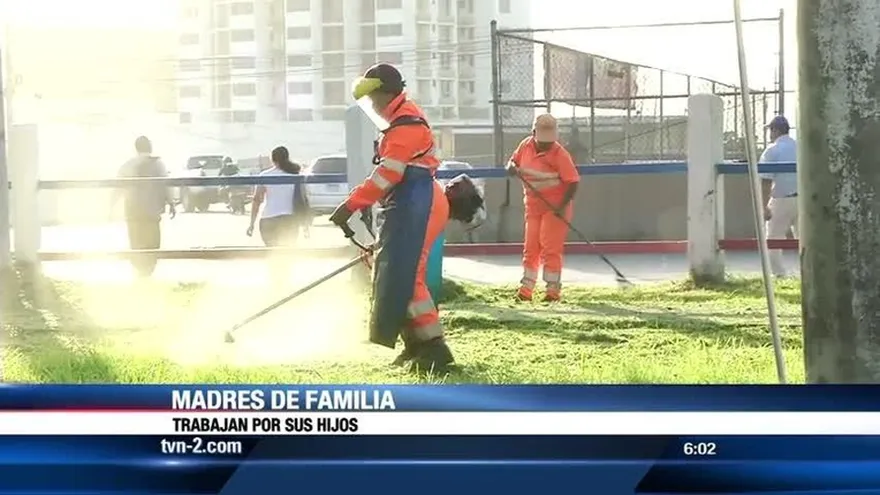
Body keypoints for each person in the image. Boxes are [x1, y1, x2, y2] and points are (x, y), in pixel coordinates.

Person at [329, 62, 453, 373]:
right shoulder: (399, 120)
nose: (372, 106)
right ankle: (415, 345)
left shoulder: (406, 125)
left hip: (421, 204)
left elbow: (388, 175)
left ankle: (434, 349)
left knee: (408, 277)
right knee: (398, 277)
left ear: (387, 94)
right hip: (411, 203)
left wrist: (352, 204)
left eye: (374, 99)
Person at [506, 113, 580, 302]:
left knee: (550, 247)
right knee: (531, 246)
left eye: (549, 141)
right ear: (534, 133)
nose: (547, 145)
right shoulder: (525, 146)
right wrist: (511, 167)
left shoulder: (560, 153)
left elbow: (572, 182)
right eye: (543, 141)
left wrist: (561, 206)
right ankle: (526, 288)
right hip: (532, 204)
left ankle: (552, 290)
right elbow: (513, 161)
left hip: (555, 206)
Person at [114, 136, 176, 277]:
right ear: (150, 147)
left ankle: (139, 269)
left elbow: (117, 187)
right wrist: (171, 203)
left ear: (136, 148)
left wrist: (111, 206)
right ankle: (148, 270)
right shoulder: (158, 164)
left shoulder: (127, 165)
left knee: (136, 241)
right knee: (153, 242)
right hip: (152, 212)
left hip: (132, 212)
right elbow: (166, 185)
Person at [246, 146, 311, 246]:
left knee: (272, 252)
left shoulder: (264, 175)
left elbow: (257, 201)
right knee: (287, 252)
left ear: (272, 159)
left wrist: (251, 224)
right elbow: (303, 199)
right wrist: (305, 225)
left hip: (268, 220)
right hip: (289, 220)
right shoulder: (296, 175)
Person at [759, 115, 798, 278]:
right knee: (804, 238)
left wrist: (763, 206)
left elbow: (766, 180)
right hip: (803, 199)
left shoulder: (772, 150)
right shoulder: (800, 146)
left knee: (773, 238)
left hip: (781, 198)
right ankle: (808, 272)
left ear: (775, 130)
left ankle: (779, 274)